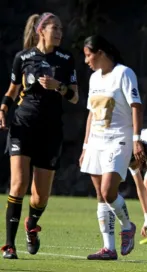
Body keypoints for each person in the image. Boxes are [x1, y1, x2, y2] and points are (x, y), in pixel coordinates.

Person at [0, 12, 79, 259]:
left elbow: (75, 97)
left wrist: (60, 87)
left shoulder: (66, 59)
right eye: (54, 28)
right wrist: (3, 108)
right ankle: (9, 245)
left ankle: (31, 225)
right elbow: (12, 90)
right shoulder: (22, 58)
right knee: (18, 183)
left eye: (60, 29)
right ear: (40, 30)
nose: (59, 33)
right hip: (23, 126)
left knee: (40, 196)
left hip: (51, 131)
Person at [79, 35, 145, 260]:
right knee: (100, 195)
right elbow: (91, 114)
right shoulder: (94, 79)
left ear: (100, 53)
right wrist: (85, 145)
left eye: (88, 55)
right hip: (96, 141)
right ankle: (108, 248)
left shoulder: (124, 74)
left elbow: (136, 106)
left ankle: (127, 226)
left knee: (109, 191)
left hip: (119, 139)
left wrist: (137, 139)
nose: (86, 60)